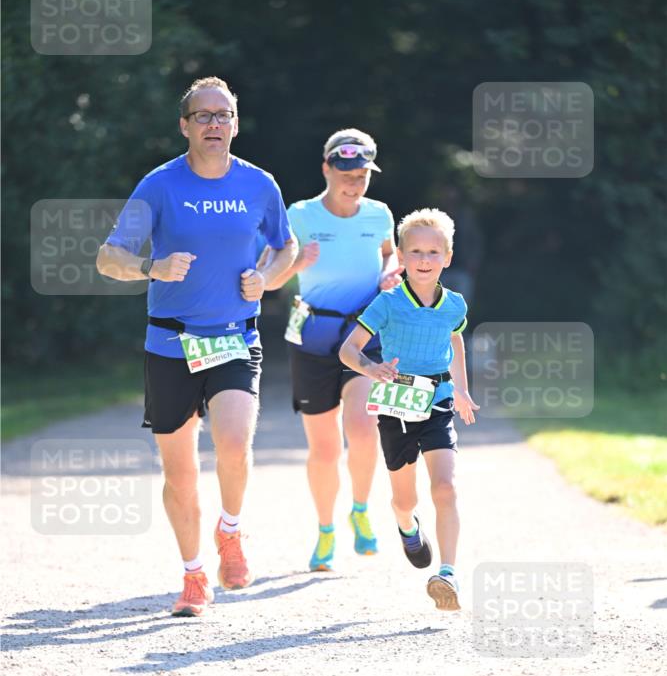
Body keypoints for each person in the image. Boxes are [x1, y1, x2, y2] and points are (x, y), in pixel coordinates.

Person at [96, 76, 296, 616]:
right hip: (170, 344)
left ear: (235, 124)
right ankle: (193, 575)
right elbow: (108, 257)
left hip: (234, 338)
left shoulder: (259, 184)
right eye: (203, 116)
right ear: (185, 126)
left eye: (223, 115)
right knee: (180, 472)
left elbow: (286, 246)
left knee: (233, 441)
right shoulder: (159, 185)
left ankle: (230, 530)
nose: (214, 124)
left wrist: (267, 279)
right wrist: (152, 267)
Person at [267, 129, 402, 572]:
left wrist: (390, 272)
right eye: (346, 175)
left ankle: (360, 510)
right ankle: (325, 529)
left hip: (364, 334)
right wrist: (297, 263)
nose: (354, 183)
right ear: (327, 169)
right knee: (324, 449)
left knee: (363, 429)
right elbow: (270, 272)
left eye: (362, 176)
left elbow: (390, 253)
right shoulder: (300, 214)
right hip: (314, 336)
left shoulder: (379, 213)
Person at [339, 208, 479, 611]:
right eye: (415, 251)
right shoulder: (387, 303)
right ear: (400, 257)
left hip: (438, 401)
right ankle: (407, 525)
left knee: (445, 487)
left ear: (447, 258)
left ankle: (448, 574)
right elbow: (348, 350)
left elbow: (454, 340)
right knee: (405, 499)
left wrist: (461, 389)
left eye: (433, 252)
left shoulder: (454, 305)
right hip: (396, 405)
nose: (424, 259)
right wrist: (371, 368)